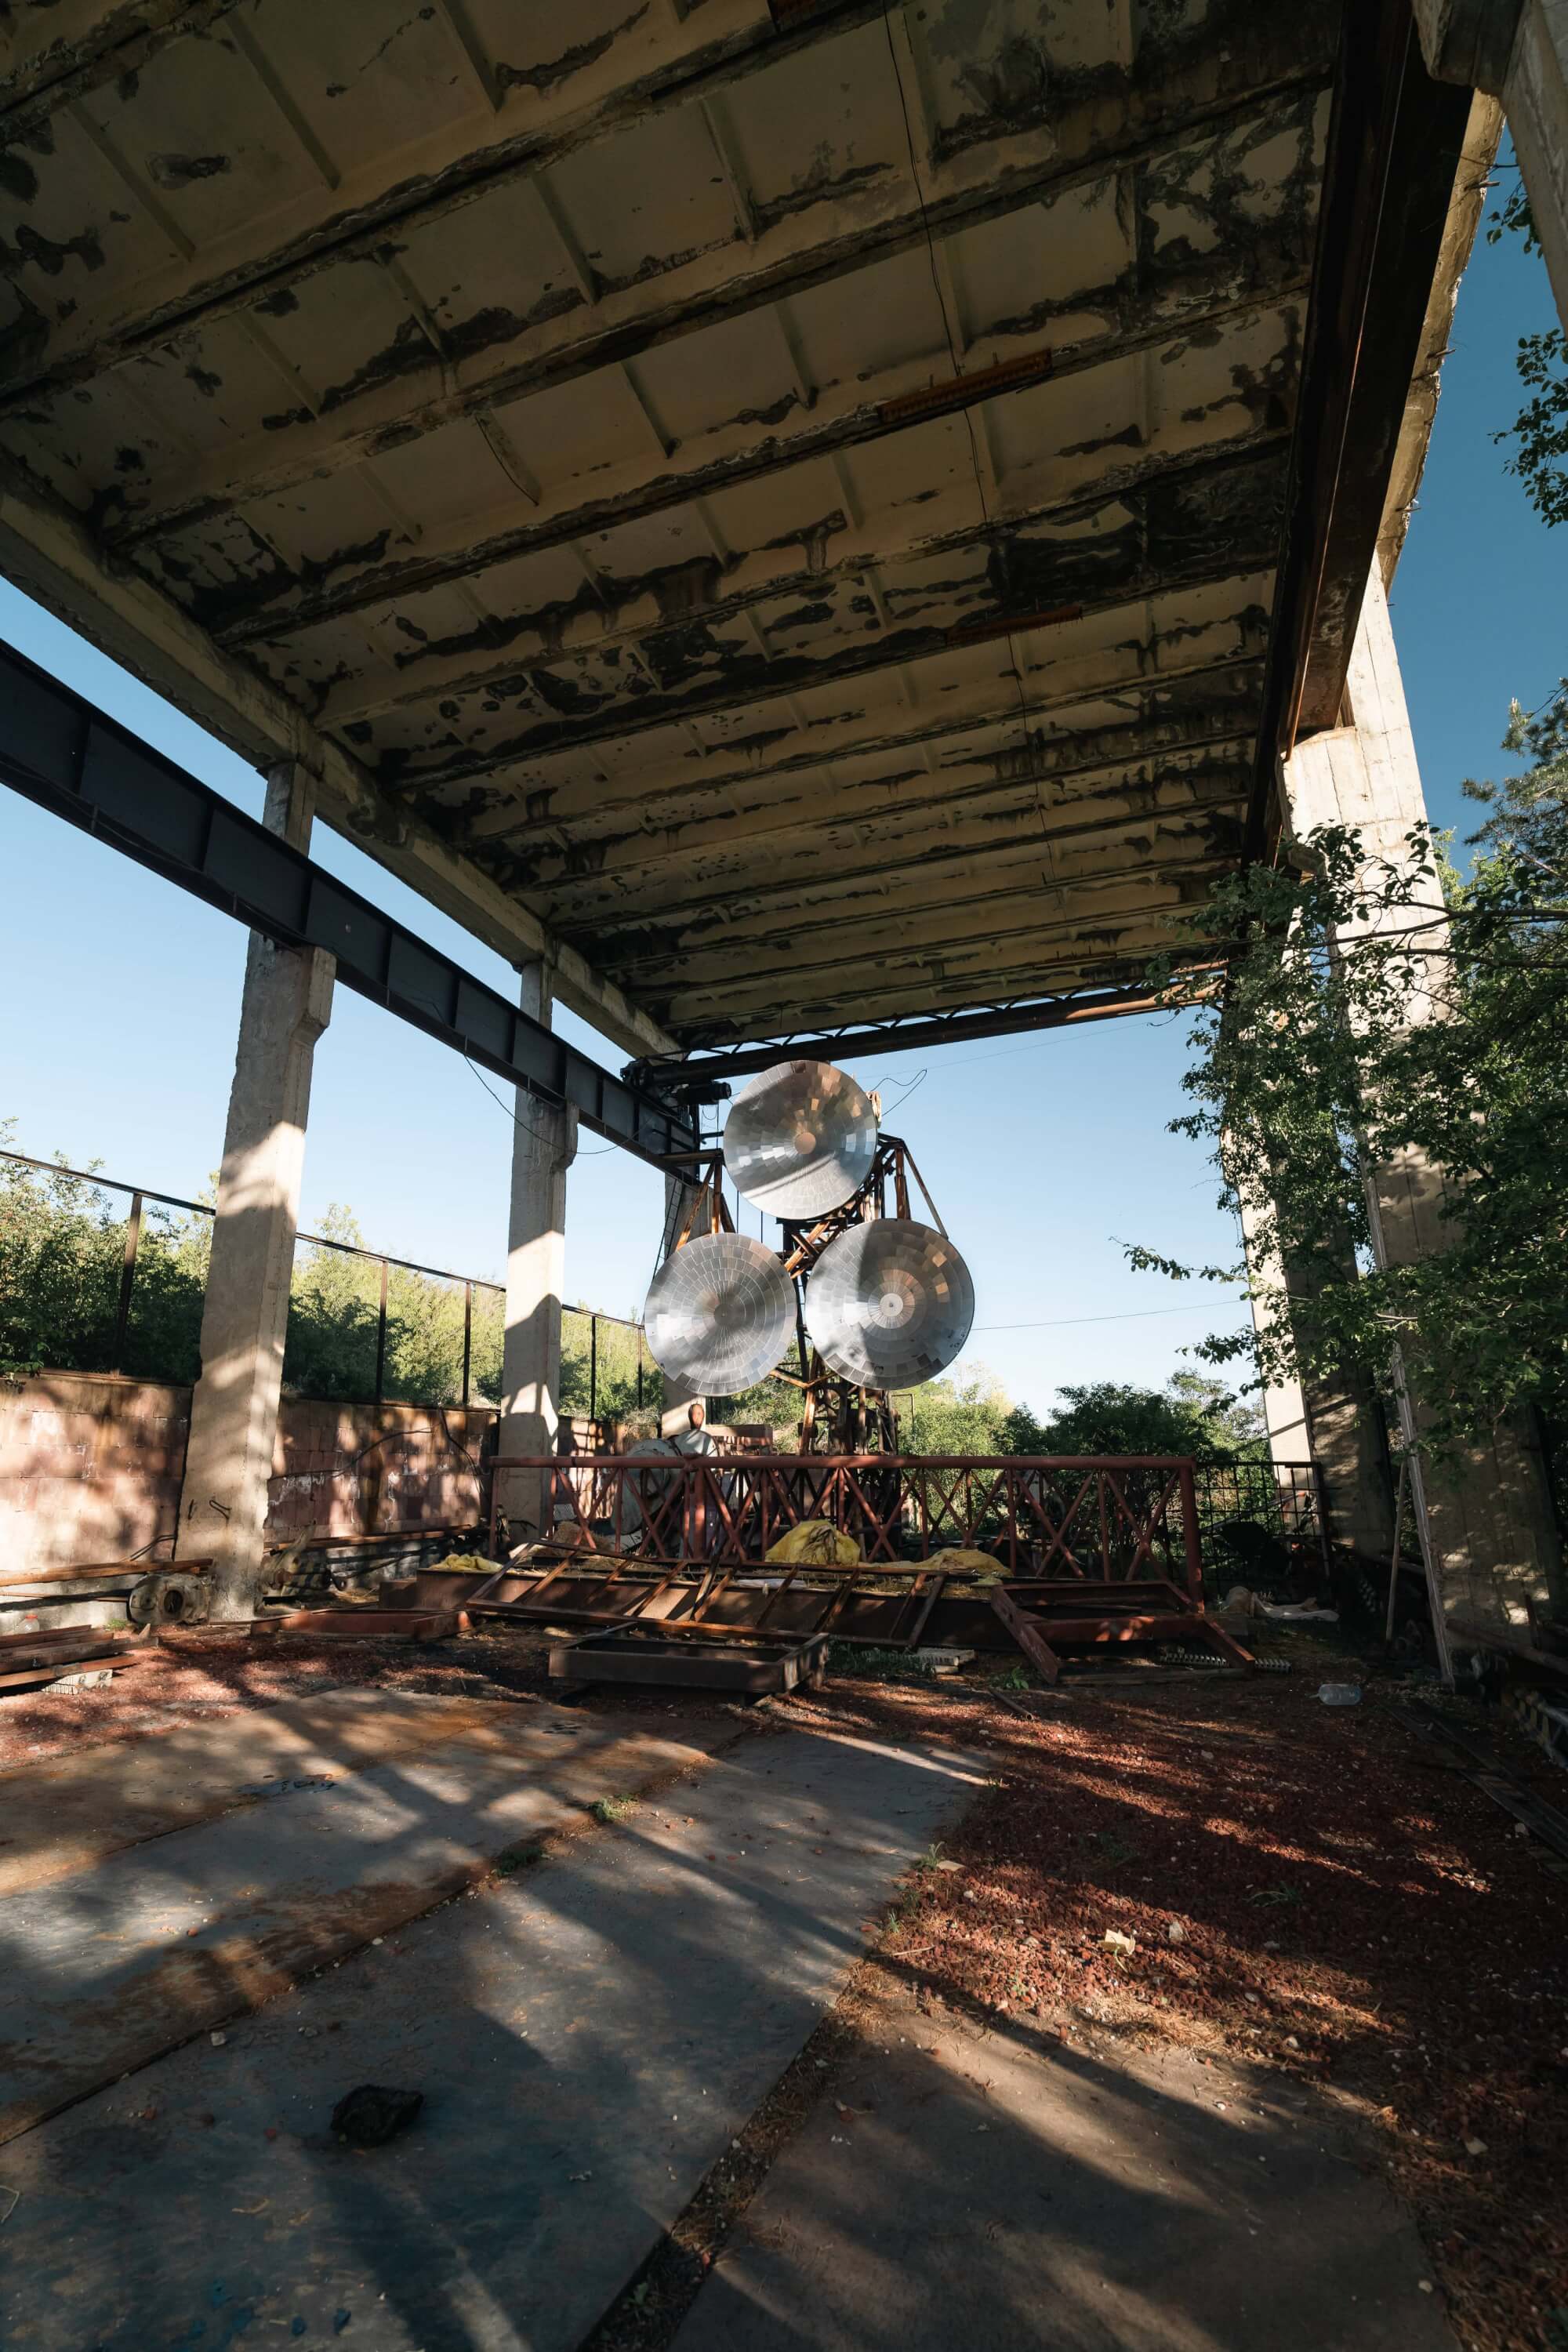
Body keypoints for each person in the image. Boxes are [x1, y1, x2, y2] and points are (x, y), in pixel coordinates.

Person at [672, 1400, 720, 1555]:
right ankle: (690, 1556)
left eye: (700, 1414)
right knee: (689, 1523)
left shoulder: (683, 1440)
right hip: (689, 1490)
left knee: (698, 1522)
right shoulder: (700, 1440)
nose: (697, 1418)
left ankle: (696, 1555)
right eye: (695, 1414)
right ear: (689, 1417)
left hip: (694, 1490)